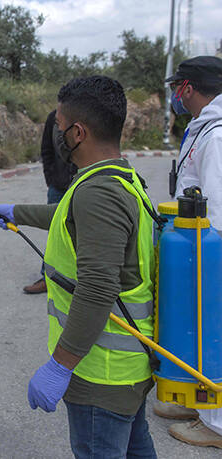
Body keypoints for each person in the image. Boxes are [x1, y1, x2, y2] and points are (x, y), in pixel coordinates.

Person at [0, 76, 157, 458]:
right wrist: (16, 212)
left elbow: (97, 288)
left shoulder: (98, 193)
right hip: (127, 368)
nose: (57, 136)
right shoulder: (118, 178)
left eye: (59, 128)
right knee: (136, 448)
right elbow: (68, 216)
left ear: (78, 133)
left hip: (102, 374)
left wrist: (59, 366)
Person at [153, 55, 222, 449]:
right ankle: (200, 400)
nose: (176, 96)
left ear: (188, 88)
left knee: (213, 330)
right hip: (196, 246)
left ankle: (216, 425)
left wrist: (207, 260)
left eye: (177, 88)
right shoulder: (205, 127)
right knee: (198, 330)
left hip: (210, 250)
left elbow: (219, 210)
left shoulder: (217, 135)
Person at [23, 110, 77, 294]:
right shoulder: (53, 119)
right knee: (55, 232)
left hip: (80, 185)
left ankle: (76, 278)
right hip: (58, 186)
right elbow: (46, 150)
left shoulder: (85, 118)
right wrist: (50, 178)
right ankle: (48, 276)